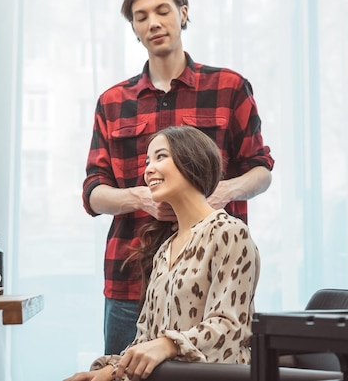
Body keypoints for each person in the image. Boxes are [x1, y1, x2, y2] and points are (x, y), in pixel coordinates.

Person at [81, 0, 274, 355]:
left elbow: (261, 169)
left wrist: (223, 192)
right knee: (121, 370)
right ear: (134, 29)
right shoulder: (112, 101)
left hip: (209, 273)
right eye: (140, 17)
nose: (153, 23)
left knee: (207, 368)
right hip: (129, 275)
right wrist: (137, 198)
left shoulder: (230, 88)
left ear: (183, 14)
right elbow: (93, 192)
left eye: (162, 11)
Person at [68, 125, 260, 381]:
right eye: (147, 161)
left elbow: (228, 329)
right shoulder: (164, 251)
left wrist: (169, 345)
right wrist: (109, 371)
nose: (148, 169)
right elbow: (146, 339)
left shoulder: (230, 232)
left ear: (192, 159)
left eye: (160, 157)